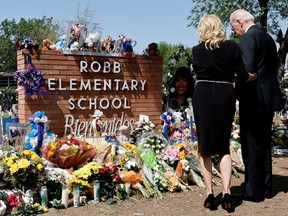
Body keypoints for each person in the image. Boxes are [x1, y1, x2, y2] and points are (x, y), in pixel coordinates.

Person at [192, 14, 256, 211]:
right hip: (224, 93)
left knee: (205, 147)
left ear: (202, 29)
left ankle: (210, 193)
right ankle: (227, 191)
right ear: (219, 27)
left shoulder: (196, 50)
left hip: (202, 94)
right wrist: (253, 76)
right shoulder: (231, 47)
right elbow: (243, 75)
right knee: (223, 145)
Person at [229, 9, 284, 202]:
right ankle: (266, 187)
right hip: (268, 96)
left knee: (251, 144)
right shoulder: (267, 37)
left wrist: (234, 87)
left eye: (233, 27)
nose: (234, 32)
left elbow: (248, 70)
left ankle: (253, 191)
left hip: (253, 98)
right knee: (264, 143)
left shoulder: (248, 38)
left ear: (240, 22)